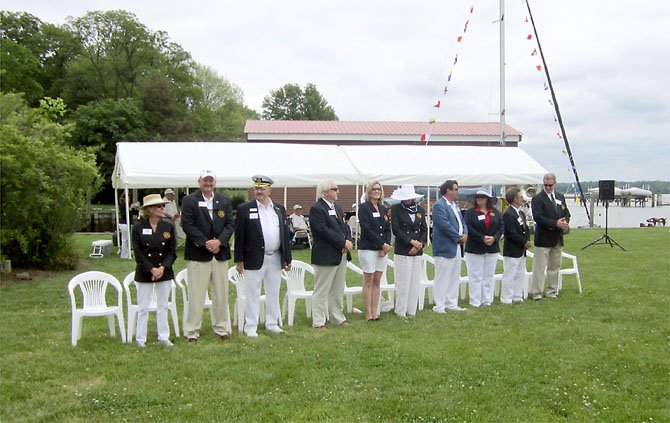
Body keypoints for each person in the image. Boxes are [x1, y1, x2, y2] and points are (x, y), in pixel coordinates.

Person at [180, 169, 235, 341]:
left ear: (215, 183)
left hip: (220, 254)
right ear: (199, 182)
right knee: (196, 295)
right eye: (205, 180)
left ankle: (221, 329)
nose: (208, 183)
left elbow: (230, 224)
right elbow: (187, 225)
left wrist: (219, 242)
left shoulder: (224, 201)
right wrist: (206, 243)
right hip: (198, 254)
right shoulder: (189, 200)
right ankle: (192, 331)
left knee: (221, 294)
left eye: (211, 181)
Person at [234, 175, 292, 337]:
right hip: (253, 256)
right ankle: (251, 326)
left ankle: (272, 323)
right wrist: (239, 260)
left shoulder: (279, 209)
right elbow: (239, 236)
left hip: (275, 257)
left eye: (262, 188)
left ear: (269, 190)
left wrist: (287, 258)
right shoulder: (245, 209)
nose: (259, 191)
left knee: (273, 291)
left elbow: (284, 235)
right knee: (253, 292)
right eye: (256, 188)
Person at [131, 194, 177, 347]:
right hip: (145, 271)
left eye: (163, 206)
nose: (162, 208)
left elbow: (172, 251)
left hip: (164, 271)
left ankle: (164, 336)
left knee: (163, 305)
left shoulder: (168, 226)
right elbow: (137, 252)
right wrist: (151, 270)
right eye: (158, 206)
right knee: (143, 307)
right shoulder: (138, 227)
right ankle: (141, 339)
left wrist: (162, 268)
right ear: (149, 210)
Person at [309, 180, 353, 330]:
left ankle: (337, 316)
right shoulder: (317, 208)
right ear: (326, 191)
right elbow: (322, 230)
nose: (338, 191)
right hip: (325, 254)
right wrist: (342, 242)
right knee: (322, 289)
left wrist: (348, 240)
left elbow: (344, 225)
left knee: (338, 288)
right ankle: (318, 321)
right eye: (335, 189)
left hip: (340, 254)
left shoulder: (338, 207)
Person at [530, 173, 571, 300]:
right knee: (539, 267)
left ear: (555, 183)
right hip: (543, 237)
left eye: (550, 185)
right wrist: (555, 223)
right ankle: (536, 292)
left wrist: (565, 223)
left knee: (555, 266)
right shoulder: (537, 198)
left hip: (557, 238)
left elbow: (566, 212)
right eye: (546, 185)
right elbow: (538, 217)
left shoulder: (560, 196)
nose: (548, 187)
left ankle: (552, 291)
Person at [390, 184, 427, 318]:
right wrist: (411, 242)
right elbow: (396, 230)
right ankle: (401, 311)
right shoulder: (396, 210)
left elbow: (424, 229)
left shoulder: (420, 210)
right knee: (403, 282)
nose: (407, 200)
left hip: (417, 250)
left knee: (414, 281)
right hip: (403, 249)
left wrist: (419, 244)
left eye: (409, 198)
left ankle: (412, 310)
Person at [357, 181, 392, 321]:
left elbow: (387, 228)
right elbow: (367, 229)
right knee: (369, 280)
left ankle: (375, 311)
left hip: (382, 250)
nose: (377, 191)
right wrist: (381, 244)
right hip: (368, 249)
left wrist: (386, 245)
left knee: (378, 280)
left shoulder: (383, 208)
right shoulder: (364, 208)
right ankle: (368, 313)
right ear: (369, 191)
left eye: (379, 189)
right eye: (374, 189)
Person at [432, 180, 468, 313]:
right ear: (448, 190)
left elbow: (461, 221)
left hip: (456, 246)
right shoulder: (439, 206)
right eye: (456, 189)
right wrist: (458, 237)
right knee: (443, 276)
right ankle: (439, 305)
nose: (458, 191)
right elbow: (444, 225)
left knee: (454, 275)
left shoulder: (455, 205)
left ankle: (451, 303)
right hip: (444, 246)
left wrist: (465, 232)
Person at [463, 190, 504, 307]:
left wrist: (494, 237)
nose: (480, 200)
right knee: (475, 275)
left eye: (482, 197)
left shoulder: (495, 212)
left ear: (487, 199)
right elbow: (468, 228)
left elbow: (501, 226)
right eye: (478, 198)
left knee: (488, 275)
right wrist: (482, 237)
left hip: (492, 247)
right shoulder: (470, 213)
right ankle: (475, 300)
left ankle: (486, 299)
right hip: (475, 247)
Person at [501, 187, 531, 304]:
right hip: (512, 249)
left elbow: (525, 229)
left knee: (520, 273)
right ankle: (506, 298)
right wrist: (524, 242)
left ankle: (517, 295)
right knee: (510, 274)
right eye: (520, 197)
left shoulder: (521, 213)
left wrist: (527, 240)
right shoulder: (508, 214)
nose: (522, 199)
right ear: (514, 199)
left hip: (521, 249)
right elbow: (511, 232)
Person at [117, 194, 139, 259]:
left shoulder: (128, 205)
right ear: (124, 199)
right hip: (124, 224)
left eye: (129, 198)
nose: (128, 200)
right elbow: (124, 214)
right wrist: (130, 208)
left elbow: (134, 213)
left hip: (130, 223)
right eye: (127, 198)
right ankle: (124, 255)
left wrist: (136, 207)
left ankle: (128, 252)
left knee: (129, 239)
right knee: (125, 239)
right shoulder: (122, 206)